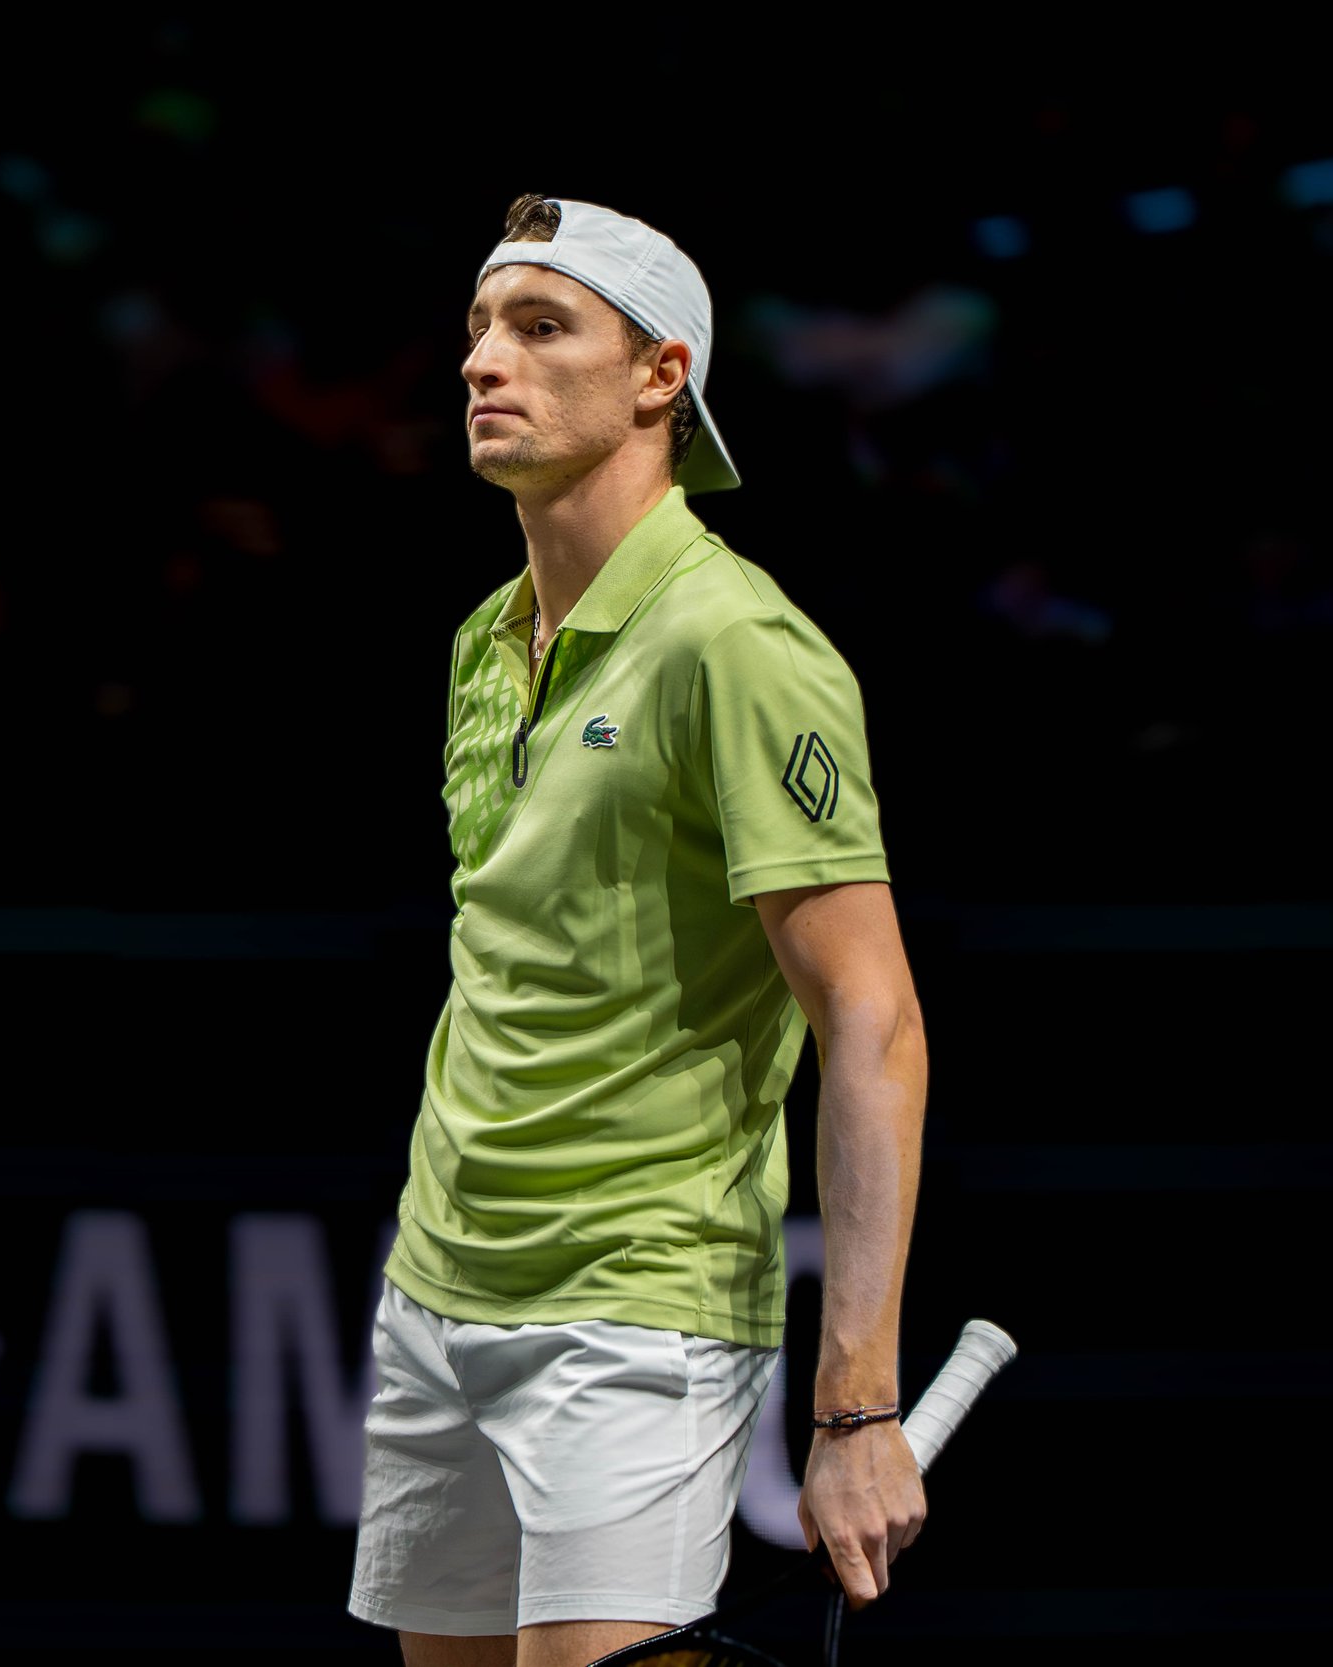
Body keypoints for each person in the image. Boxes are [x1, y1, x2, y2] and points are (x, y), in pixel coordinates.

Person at [348, 197, 929, 1667]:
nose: (488, 362)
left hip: (635, 1311)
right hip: (440, 1290)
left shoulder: (739, 645)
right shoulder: (486, 640)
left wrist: (855, 1406)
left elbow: (873, 1019)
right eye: (481, 327)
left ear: (663, 377)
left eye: (543, 329)